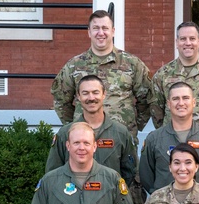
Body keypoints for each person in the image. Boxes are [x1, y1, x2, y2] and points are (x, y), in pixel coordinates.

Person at [51, 10, 152, 139]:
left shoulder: (131, 63)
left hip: (121, 139)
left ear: (113, 31)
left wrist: (132, 126)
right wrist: (75, 126)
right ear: (89, 32)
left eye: (105, 28)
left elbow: (147, 100)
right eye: (96, 28)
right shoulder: (74, 66)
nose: (101, 33)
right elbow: (61, 101)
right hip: (84, 140)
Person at [44, 75, 139, 197]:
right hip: (73, 203)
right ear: (78, 96)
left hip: (109, 203)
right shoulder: (65, 134)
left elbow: (130, 171)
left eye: (95, 92)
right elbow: (53, 172)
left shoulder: (120, 133)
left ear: (104, 94)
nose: (91, 98)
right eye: (85, 93)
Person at [139, 82, 199, 196]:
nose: (181, 103)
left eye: (185, 98)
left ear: (194, 102)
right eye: (176, 99)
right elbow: (146, 176)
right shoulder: (154, 139)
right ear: (169, 104)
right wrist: (161, 197)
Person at [150, 22, 199, 135]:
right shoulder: (163, 74)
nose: (188, 43)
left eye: (192, 38)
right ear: (176, 42)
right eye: (183, 39)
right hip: (173, 138)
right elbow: (156, 111)